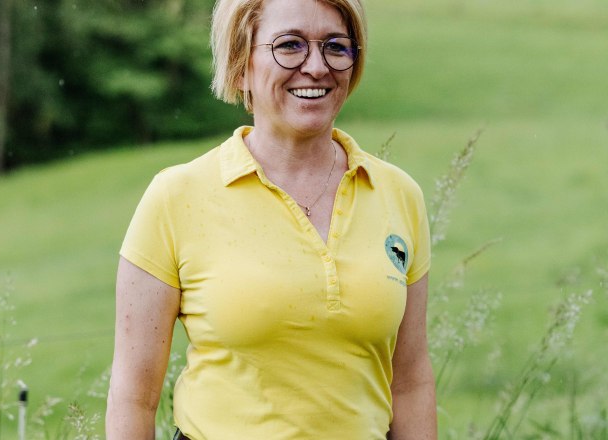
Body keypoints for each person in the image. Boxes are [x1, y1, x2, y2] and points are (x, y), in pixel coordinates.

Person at [105, 0, 436, 438]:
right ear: (241, 66)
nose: (316, 66)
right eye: (290, 45)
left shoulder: (399, 195)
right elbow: (133, 396)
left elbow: (409, 382)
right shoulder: (175, 198)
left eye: (336, 47)